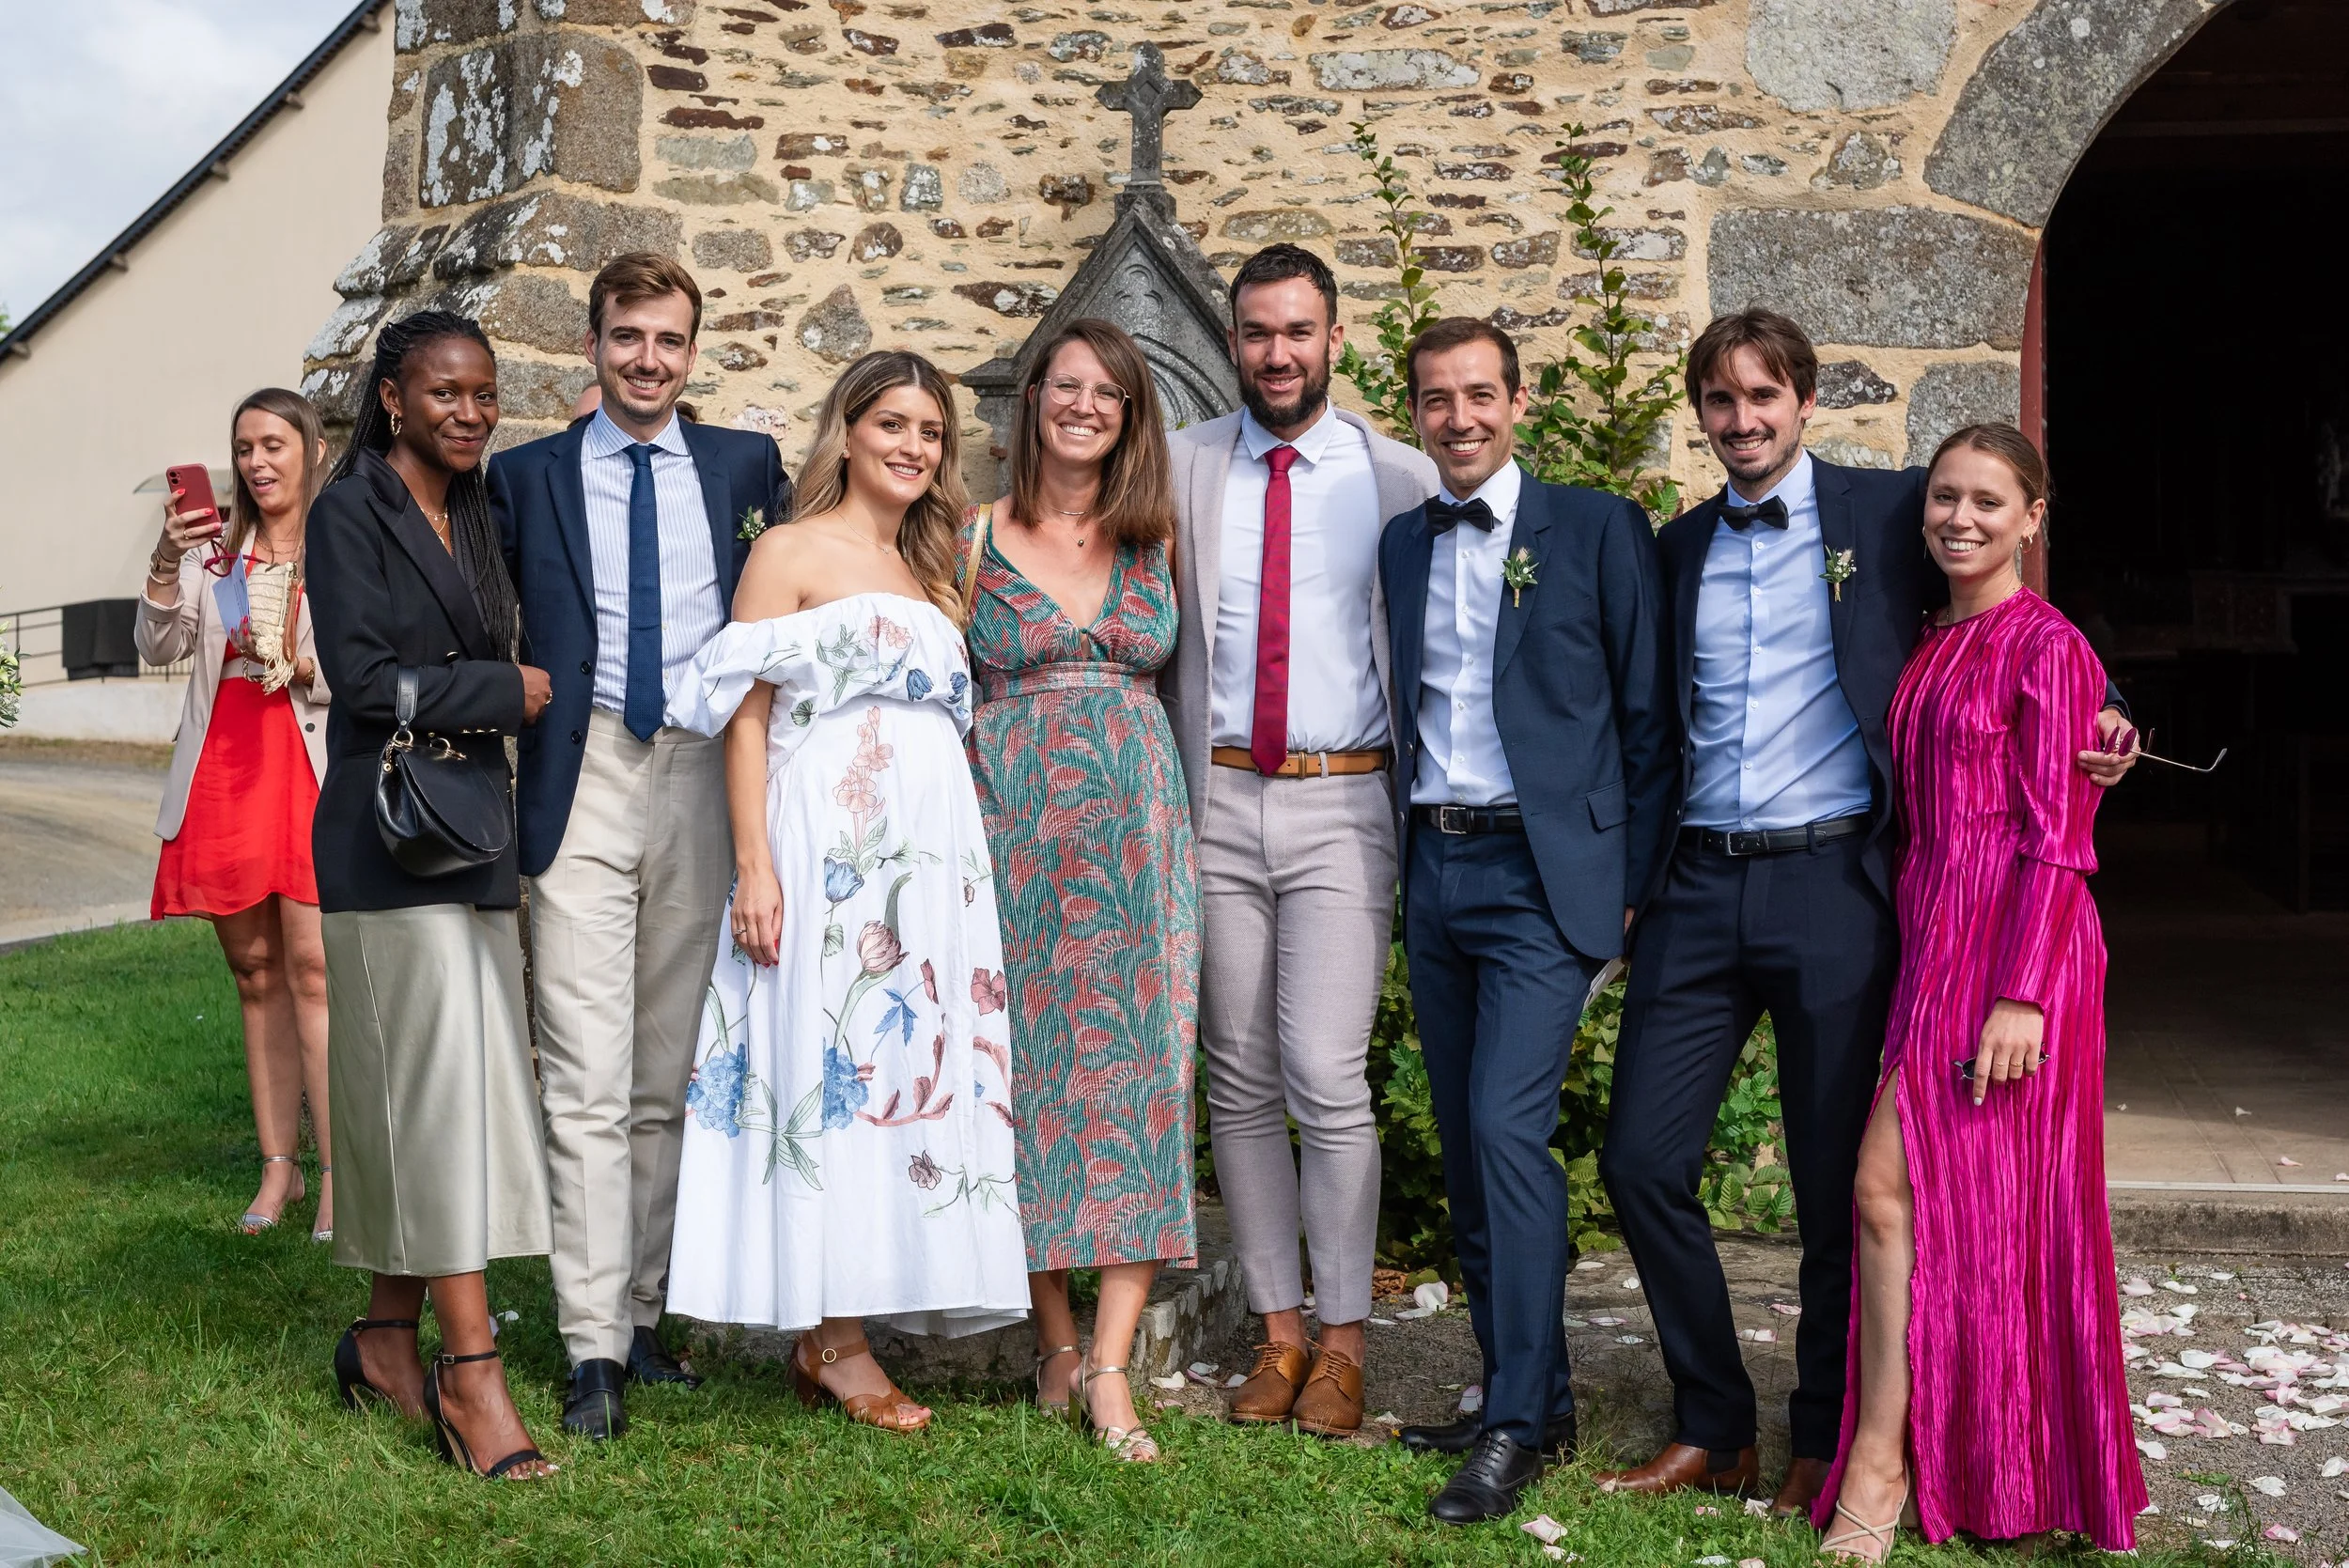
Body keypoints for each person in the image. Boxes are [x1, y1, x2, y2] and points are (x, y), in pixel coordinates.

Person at [1596, 310, 2138, 1513]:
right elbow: (1634, 719)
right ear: (1702, 413)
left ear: (1802, 400)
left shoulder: (1887, 510)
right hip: (1696, 881)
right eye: (1721, 402)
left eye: (1763, 396)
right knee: (1639, 1158)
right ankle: (1710, 1420)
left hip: (1839, 883)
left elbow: (2004, 592)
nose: (1743, 420)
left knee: (1838, 1175)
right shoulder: (1672, 547)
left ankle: (1824, 1434)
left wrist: (2108, 717)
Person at [663, 349, 1029, 1433]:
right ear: (848, 432)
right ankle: (832, 1340)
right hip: (825, 844)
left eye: (930, 430)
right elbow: (747, 716)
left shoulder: (932, 569)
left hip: (928, 859)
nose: (914, 447)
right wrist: (755, 866)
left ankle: (850, 1316)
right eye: (893, 425)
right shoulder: (787, 550)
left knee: (897, 1066)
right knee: (828, 1060)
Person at [1814, 426, 2144, 1559]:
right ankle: (1978, 1455)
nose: (1960, 518)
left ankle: (1882, 1458)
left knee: (1897, 1191)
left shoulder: (2045, 648)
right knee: (1952, 1215)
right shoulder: (1924, 632)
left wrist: (2025, 994)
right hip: (1928, 941)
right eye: (1945, 498)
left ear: (2033, 517)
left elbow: (2062, 839)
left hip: (2015, 944)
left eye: (1988, 503)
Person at [488, 253, 789, 1440]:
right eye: (626, 338)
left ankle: (646, 1318)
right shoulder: (528, 477)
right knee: (584, 1074)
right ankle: (588, 1347)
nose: (647, 360)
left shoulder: (743, 468)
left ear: (692, 351)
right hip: (585, 771)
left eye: (667, 340)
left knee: (665, 1076)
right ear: (593, 346)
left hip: (706, 780)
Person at [1378, 319, 1674, 1520]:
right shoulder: (1403, 543)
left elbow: (1650, 719)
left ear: (1519, 401)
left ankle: (1511, 1427)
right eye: (1438, 399)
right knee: (1464, 1143)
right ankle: (1529, 1392)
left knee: (1506, 1131)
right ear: (1415, 410)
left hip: (1546, 882)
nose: (1460, 418)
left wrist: (1631, 885)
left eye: (1480, 396)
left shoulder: (1596, 527)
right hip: (1435, 871)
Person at [1164, 243, 1437, 1438]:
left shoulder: (1399, 477)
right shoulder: (1180, 466)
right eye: (1258, 332)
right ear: (1234, 342)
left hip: (1343, 798)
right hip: (1214, 795)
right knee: (1238, 1075)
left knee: (1325, 1074)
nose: (1278, 352)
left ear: (1335, 339)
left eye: (1299, 331)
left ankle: (1342, 1340)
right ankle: (1276, 1334)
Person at [306, 310, 557, 1481]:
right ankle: (474, 1377)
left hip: (474, 835)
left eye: (485, 394)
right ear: (394, 397)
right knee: (442, 1097)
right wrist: (504, 689)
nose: (470, 412)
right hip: (383, 837)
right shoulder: (346, 510)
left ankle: (382, 1338)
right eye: (446, 393)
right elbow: (360, 680)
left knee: (452, 1088)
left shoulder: (484, 510)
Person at [959, 318, 1199, 1462]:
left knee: (1137, 1080)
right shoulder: (964, 542)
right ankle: (1054, 1341)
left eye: (1108, 391)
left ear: (1130, 414)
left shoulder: (1156, 542)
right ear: (1032, 400)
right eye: (1067, 385)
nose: (1085, 405)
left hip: (1139, 842)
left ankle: (1110, 1365)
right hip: (1010, 834)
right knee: (1026, 1077)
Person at [139, 388, 335, 1240]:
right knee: (256, 978)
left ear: (312, 451)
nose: (258, 462)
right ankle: (277, 1170)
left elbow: (359, 666)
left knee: (316, 973)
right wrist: (160, 560)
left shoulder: (340, 548)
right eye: (245, 447)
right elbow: (158, 647)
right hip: (224, 772)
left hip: (308, 772)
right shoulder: (219, 560)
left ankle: (340, 1175)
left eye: (274, 445)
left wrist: (303, 666)